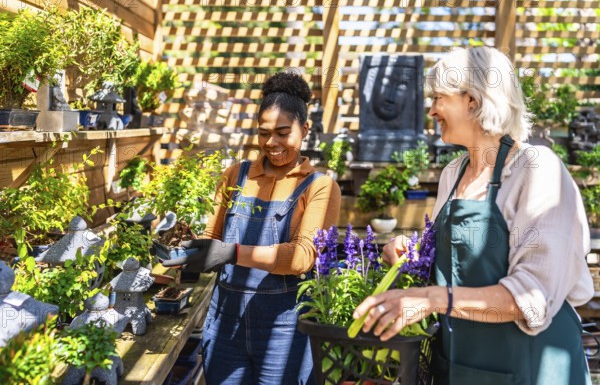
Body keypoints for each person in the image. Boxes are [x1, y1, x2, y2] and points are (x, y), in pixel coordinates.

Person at [353, 47, 594, 384]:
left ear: (473, 100)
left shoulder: (537, 170)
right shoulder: (453, 173)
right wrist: (413, 253)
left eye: (439, 97)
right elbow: (454, 265)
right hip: (461, 365)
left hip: (532, 366)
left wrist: (430, 299)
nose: (432, 109)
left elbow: (533, 296)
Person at [162, 72, 341, 384]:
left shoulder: (319, 186)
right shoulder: (235, 176)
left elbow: (301, 258)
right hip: (225, 322)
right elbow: (212, 238)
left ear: (305, 130)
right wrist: (188, 245)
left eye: (283, 133)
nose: (271, 143)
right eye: (263, 133)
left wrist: (230, 253)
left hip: (284, 326)